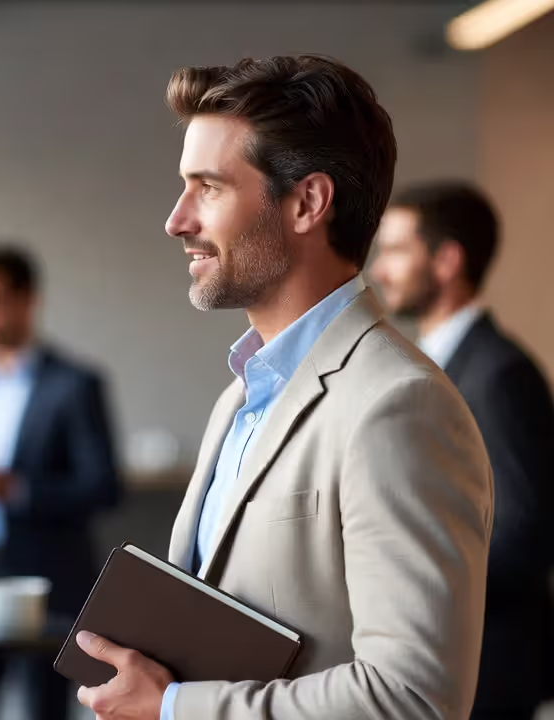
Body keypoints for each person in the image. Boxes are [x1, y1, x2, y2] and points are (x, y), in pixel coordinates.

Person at [74, 55, 493, 720]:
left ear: (307, 203)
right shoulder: (237, 399)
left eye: (208, 187)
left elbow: (416, 699)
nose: (177, 220)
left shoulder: (399, 407)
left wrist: (177, 708)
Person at [371, 181, 554, 720]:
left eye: (397, 250)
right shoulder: (433, 365)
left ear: (448, 259)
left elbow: (525, 531)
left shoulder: (499, 374)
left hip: (491, 661)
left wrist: (416, 592)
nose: (379, 270)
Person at [0, 243, 121, 720]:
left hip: (46, 584)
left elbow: (104, 487)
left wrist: (14, 490)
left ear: (28, 301)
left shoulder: (76, 385)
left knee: (42, 711)